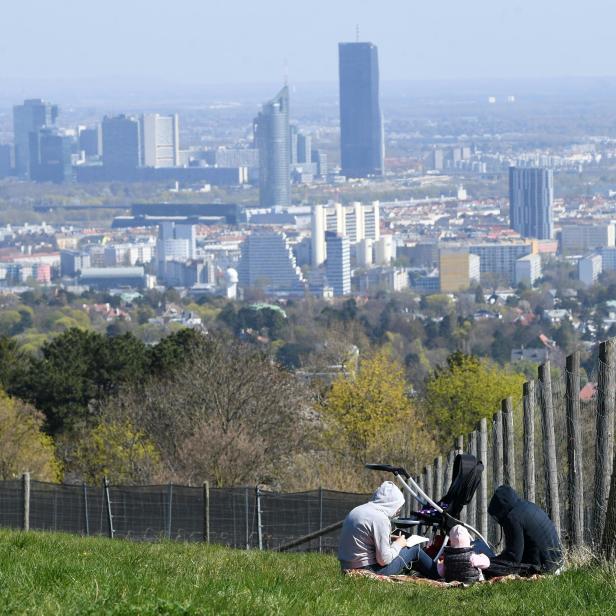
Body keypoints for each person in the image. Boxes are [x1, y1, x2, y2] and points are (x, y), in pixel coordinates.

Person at [338, 480, 437, 577]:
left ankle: (419, 572)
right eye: (398, 507)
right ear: (391, 503)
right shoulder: (380, 518)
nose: (397, 511)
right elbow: (384, 560)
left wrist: (390, 538)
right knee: (415, 549)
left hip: (346, 567)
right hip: (368, 570)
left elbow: (365, 539)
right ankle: (438, 574)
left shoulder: (358, 510)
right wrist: (398, 544)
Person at [485, 485, 563, 577]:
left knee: (486, 568)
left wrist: (489, 562)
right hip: (557, 563)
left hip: (543, 569)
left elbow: (513, 558)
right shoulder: (527, 505)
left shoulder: (513, 517)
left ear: (500, 510)